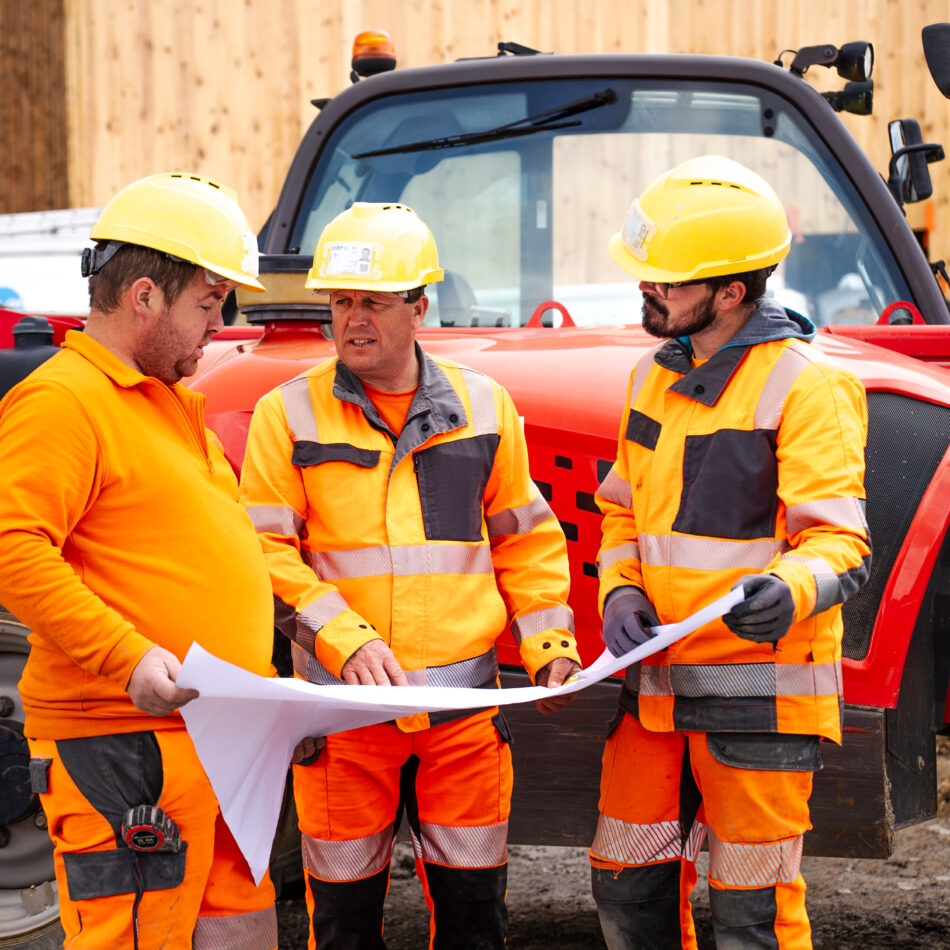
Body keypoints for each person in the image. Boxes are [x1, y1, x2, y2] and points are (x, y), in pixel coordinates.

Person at [239, 201, 581, 949]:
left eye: (374, 302)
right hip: (342, 724)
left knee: (473, 921)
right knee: (344, 927)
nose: (352, 320)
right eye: (340, 302)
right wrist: (342, 638)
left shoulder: (484, 407)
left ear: (420, 305)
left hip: (462, 723)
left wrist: (553, 652)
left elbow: (525, 541)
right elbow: (262, 552)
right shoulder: (286, 415)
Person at [588, 156, 871, 949]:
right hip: (655, 690)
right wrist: (619, 593)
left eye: (668, 282)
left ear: (732, 293)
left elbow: (841, 543)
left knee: (752, 916)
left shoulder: (809, 387)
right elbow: (622, 513)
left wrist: (791, 587)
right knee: (625, 881)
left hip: (760, 699)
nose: (648, 290)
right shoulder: (652, 376)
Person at [0, 172, 282, 950]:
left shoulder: (166, 404)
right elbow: (12, 548)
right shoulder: (65, 401)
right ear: (147, 296)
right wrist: (125, 659)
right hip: (125, 750)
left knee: (243, 933)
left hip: (215, 744)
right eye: (208, 304)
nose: (218, 326)